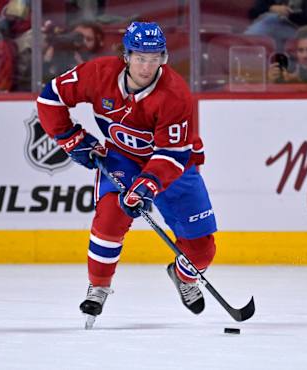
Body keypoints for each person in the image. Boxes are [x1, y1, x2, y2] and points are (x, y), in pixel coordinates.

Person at [36, 21, 218, 326]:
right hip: (123, 158)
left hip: (174, 166)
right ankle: (98, 287)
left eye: (154, 57)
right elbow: (51, 96)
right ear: (126, 55)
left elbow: (171, 154)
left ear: (164, 58)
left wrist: (148, 185)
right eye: (140, 58)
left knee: (202, 252)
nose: (147, 66)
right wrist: (69, 137)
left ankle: (183, 275)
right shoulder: (98, 74)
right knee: (109, 219)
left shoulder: (175, 94)